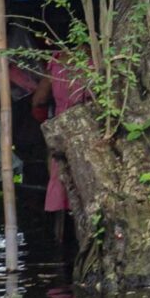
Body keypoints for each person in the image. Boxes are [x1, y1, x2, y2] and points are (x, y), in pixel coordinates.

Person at [31, 50, 89, 241]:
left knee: (59, 170)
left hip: (62, 126)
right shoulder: (95, 62)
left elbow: (39, 99)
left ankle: (61, 232)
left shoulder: (57, 63)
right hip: (89, 125)